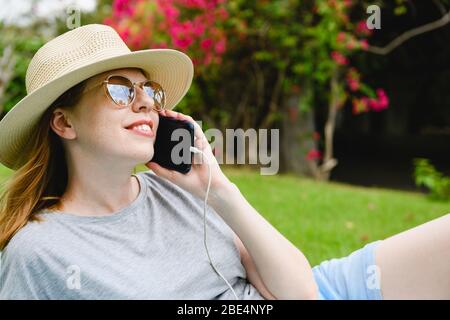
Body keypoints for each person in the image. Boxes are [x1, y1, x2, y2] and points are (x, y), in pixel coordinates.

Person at [0, 24, 449, 300]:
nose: (144, 104)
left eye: (149, 92)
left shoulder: (179, 189)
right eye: (120, 90)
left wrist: (218, 190)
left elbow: (302, 292)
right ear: (63, 123)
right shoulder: (40, 253)